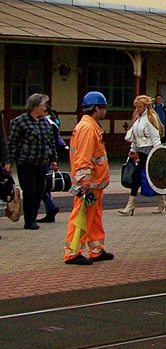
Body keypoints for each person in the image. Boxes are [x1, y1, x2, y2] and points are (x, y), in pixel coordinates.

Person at [65, 91, 113, 265]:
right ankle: (73, 252)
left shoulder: (89, 126)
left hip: (94, 184)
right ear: (96, 109)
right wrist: (84, 182)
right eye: (103, 108)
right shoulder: (88, 128)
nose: (105, 111)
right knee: (82, 216)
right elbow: (83, 158)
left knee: (93, 218)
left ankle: (96, 250)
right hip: (88, 184)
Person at [7, 93, 58, 230]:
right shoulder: (20, 122)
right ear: (35, 107)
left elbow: (50, 142)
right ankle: (29, 220)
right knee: (29, 191)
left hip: (42, 162)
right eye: (42, 105)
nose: (44, 108)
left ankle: (33, 216)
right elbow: (12, 143)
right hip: (26, 163)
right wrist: (9, 162)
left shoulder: (45, 122)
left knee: (39, 191)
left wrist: (53, 159)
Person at [120, 94, 166, 215]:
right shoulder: (137, 117)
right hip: (141, 151)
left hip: (150, 151)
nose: (137, 109)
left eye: (139, 107)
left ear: (145, 106)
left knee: (137, 175)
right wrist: (133, 149)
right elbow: (135, 136)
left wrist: (158, 154)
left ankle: (130, 204)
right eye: (136, 107)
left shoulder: (150, 118)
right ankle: (161, 202)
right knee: (151, 176)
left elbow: (156, 138)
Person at [40, 108, 65, 222]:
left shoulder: (48, 124)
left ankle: (51, 207)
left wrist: (53, 160)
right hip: (47, 158)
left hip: (44, 159)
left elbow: (52, 144)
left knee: (40, 186)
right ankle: (50, 211)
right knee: (46, 185)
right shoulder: (51, 124)